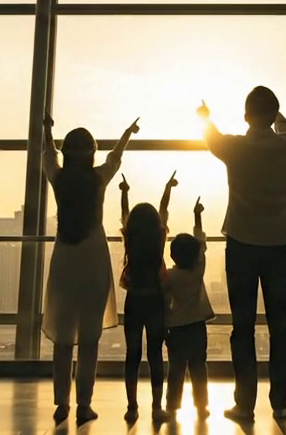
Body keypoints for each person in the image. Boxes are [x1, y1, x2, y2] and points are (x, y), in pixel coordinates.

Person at [197, 87, 286, 422]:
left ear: (245, 117)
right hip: (278, 246)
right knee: (280, 327)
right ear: (273, 115)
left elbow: (209, 136)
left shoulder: (235, 148)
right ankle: (280, 401)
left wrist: (205, 116)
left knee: (243, 328)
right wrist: (279, 117)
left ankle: (245, 405)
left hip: (241, 245)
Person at [41, 115, 140, 426]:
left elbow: (48, 156)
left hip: (64, 263)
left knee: (63, 340)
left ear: (67, 153)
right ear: (91, 154)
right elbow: (116, 158)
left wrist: (47, 131)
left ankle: (61, 403)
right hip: (93, 261)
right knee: (88, 340)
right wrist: (126, 132)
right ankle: (85, 403)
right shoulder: (98, 179)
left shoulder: (58, 179)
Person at [119, 173, 173, 424]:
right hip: (155, 302)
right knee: (155, 355)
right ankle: (156, 406)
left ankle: (132, 407)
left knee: (133, 354)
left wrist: (124, 193)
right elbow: (164, 212)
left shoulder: (130, 240)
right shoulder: (158, 240)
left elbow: (125, 215)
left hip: (134, 302)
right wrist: (166, 188)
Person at [164, 197, 214, 418]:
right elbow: (201, 243)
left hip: (176, 328)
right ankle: (201, 406)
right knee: (198, 368)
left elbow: (164, 301)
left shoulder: (170, 276)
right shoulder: (198, 271)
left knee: (176, 369)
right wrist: (197, 215)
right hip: (197, 327)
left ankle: (172, 405)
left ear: (172, 255)